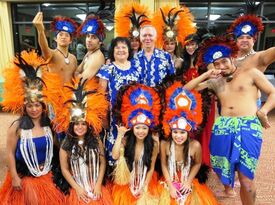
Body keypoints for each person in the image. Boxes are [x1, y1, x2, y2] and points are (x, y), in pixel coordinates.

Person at [195, 36, 275, 204]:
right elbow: (187, 90)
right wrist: (207, 74)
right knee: (220, 169)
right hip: (223, 128)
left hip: (248, 127)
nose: (222, 67)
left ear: (232, 57)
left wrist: (264, 111)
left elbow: (273, 92)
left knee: (246, 178)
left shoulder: (251, 73)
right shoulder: (216, 82)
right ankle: (228, 188)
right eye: (217, 64)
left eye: (224, 61)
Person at [0, 50, 63, 205]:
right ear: (24, 107)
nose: (34, 109)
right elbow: (9, 152)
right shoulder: (17, 127)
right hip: (26, 177)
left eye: (37, 105)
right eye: (30, 106)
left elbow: (58, 147)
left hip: (47, 174)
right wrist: (14, 176)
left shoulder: (49, 126)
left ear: (43, 107)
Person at [53, 77, 112, 205]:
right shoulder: (65, 145)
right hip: (78, 187)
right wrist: (77, 188)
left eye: (83, 124)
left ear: (88, 125)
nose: (80, 127)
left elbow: (102, 163)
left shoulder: (96, 140)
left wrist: (98, 185)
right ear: (71, 126)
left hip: (95, 185)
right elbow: (64, 169)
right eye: (76, 124)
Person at [159, 81, 219, 205]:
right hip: (169, 178)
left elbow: (197, 163)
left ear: (188, 133)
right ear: (171, 131)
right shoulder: (165, 144)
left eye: (182, 133)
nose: (178, 136)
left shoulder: (195, 145)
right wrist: (170, 185)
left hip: (187, 178)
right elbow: (164, 165)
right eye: (175, 132)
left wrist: (188, 181)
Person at [111, 83, 161, 204]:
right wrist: (119, 136)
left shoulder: (154, 144)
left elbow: (151, 168)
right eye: (137, 128)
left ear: (149, 129)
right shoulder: (127, 141)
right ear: (133, 128)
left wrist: (145, 186)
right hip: (128, 180)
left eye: (144, 128)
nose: (141, 131)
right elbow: (115, 156)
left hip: (146, 179)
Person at [97, 37, 141, 166]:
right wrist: (103, 117)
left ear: (129, 50)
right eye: (117, 47)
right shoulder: (107, 69)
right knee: (116, 143)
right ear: (112, 50)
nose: (121, 50)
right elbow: (100, 96)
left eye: (124, 47)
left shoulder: (136, 68)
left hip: (134, 114)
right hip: (114, 116)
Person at [33, 12, 78, 84]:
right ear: (55, 39)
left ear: (70, 41)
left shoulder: (73, 58)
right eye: (60, 35)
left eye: (67, 35)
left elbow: (75, 77)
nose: (63, 37)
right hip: (55, 94)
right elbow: (44, 47)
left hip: (70, 93)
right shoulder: (52, 54)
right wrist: (40, 31)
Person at [151, 5, 195, 71]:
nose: (169, 46)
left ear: (175, 45)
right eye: (167, 43)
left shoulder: (181, 60)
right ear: (164, 45)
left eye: (172, 44)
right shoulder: (156, 59)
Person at [75, 16, 106, 80]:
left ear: (100, 42)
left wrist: (77, 74)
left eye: (93, 37)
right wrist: (77, 74)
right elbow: (77, 70)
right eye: (88, 36)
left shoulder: (97, 57)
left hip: (88, 89)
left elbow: (81, 81)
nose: (89, 40)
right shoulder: (89, 53)